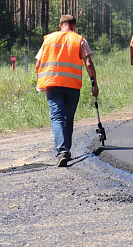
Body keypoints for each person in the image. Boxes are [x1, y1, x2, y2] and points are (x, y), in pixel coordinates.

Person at [36, 14, 98, 167]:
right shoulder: (79, 40)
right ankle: (66, 150)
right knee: (68, 118)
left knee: (57, 117)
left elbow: (38, 63)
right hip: (71, 85)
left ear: (60, 25)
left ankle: (62, 151)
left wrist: (40, 81)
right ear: (74, 25)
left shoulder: (48, 39)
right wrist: (94, 83)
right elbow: (88, 63)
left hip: (52, 84)